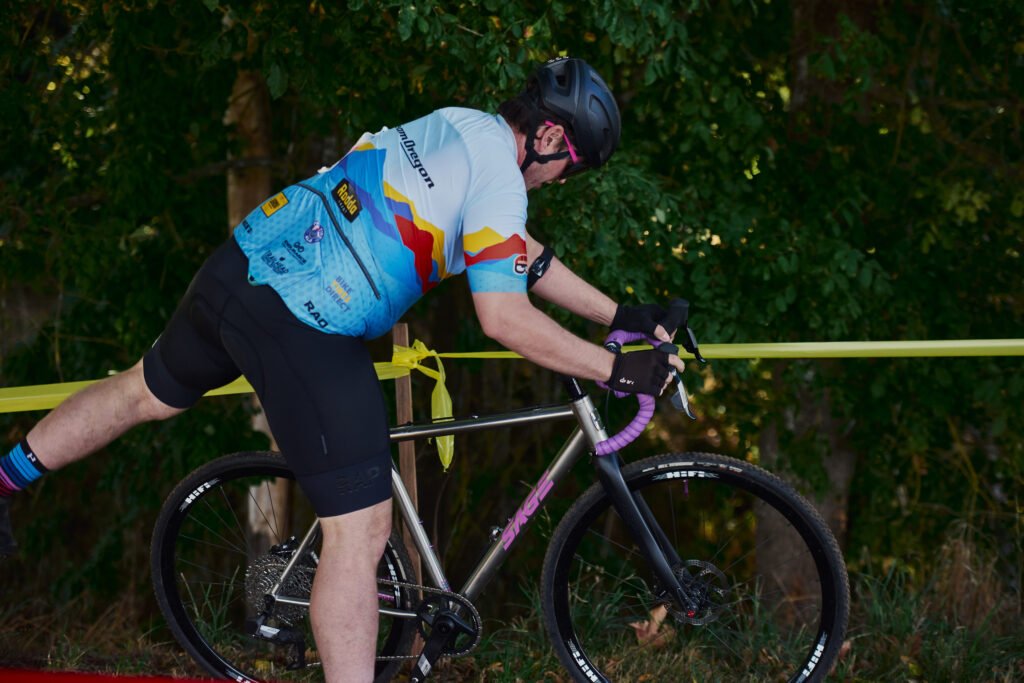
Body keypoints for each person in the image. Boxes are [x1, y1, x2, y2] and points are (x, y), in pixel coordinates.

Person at [0, 56, 685, 682]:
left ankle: (6, 478)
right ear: (550, 137)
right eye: (572, 166)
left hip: (246, 261)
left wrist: (620, 313)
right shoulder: (502, 179)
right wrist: (615, 369)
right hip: (304, 321)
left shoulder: (461, 125)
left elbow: (518, 254)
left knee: (142, 391)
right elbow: (503, 318)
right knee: (358, 534)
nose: (562, 180)